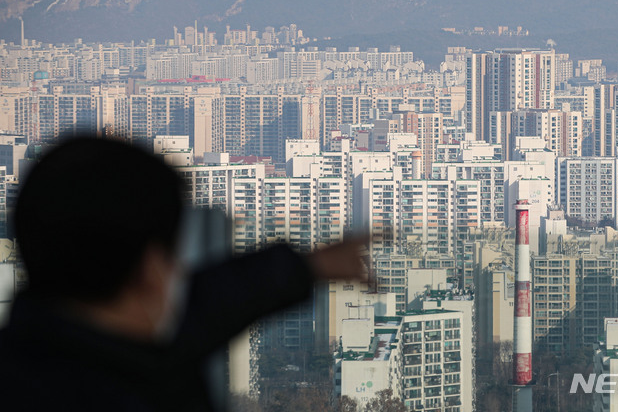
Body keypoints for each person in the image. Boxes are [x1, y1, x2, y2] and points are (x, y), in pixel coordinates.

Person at [0, 138, 368, 411]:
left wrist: (305, 267)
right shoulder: (142, 387)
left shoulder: (32, 353)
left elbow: (208, 306)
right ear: (152, 271)